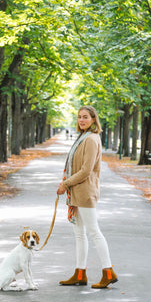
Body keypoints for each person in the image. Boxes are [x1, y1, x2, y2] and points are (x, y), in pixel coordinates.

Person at [57, 105, 118, 289]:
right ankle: (80, 273)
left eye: (85, 117)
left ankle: (108, 272)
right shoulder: (82, 137)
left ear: (93, 119)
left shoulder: (91, 139)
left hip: (85, 192)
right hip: (77, 192)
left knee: (93, 232)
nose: (81, 120)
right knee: (79, 234)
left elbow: (86, 170)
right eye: (79, 117)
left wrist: (65, 184)